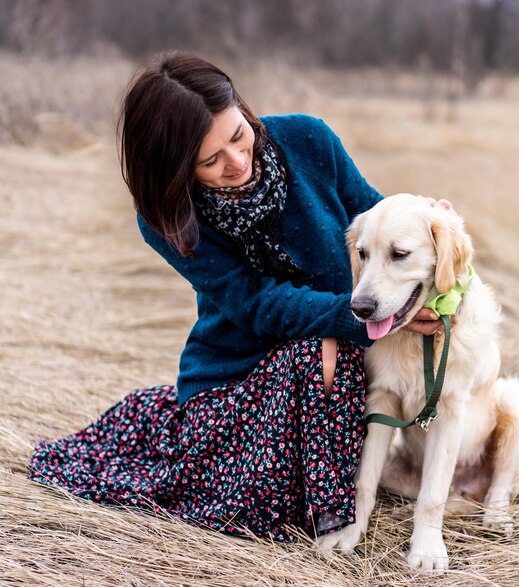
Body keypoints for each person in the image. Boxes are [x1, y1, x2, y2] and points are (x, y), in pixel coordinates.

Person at [28, 50, 443, 542]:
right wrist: (350, 317)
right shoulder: (169, 218)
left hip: (338, 362)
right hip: (237, 375)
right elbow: (256, 303)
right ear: (175, 170)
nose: (237, 162)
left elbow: (377, 217)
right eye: (211, 160)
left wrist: (433, 224)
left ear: (244, 111)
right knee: (320, 353)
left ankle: (329, 489)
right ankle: (326, 510)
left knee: (332, 358)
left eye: (238, 135)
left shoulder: (308, 139)